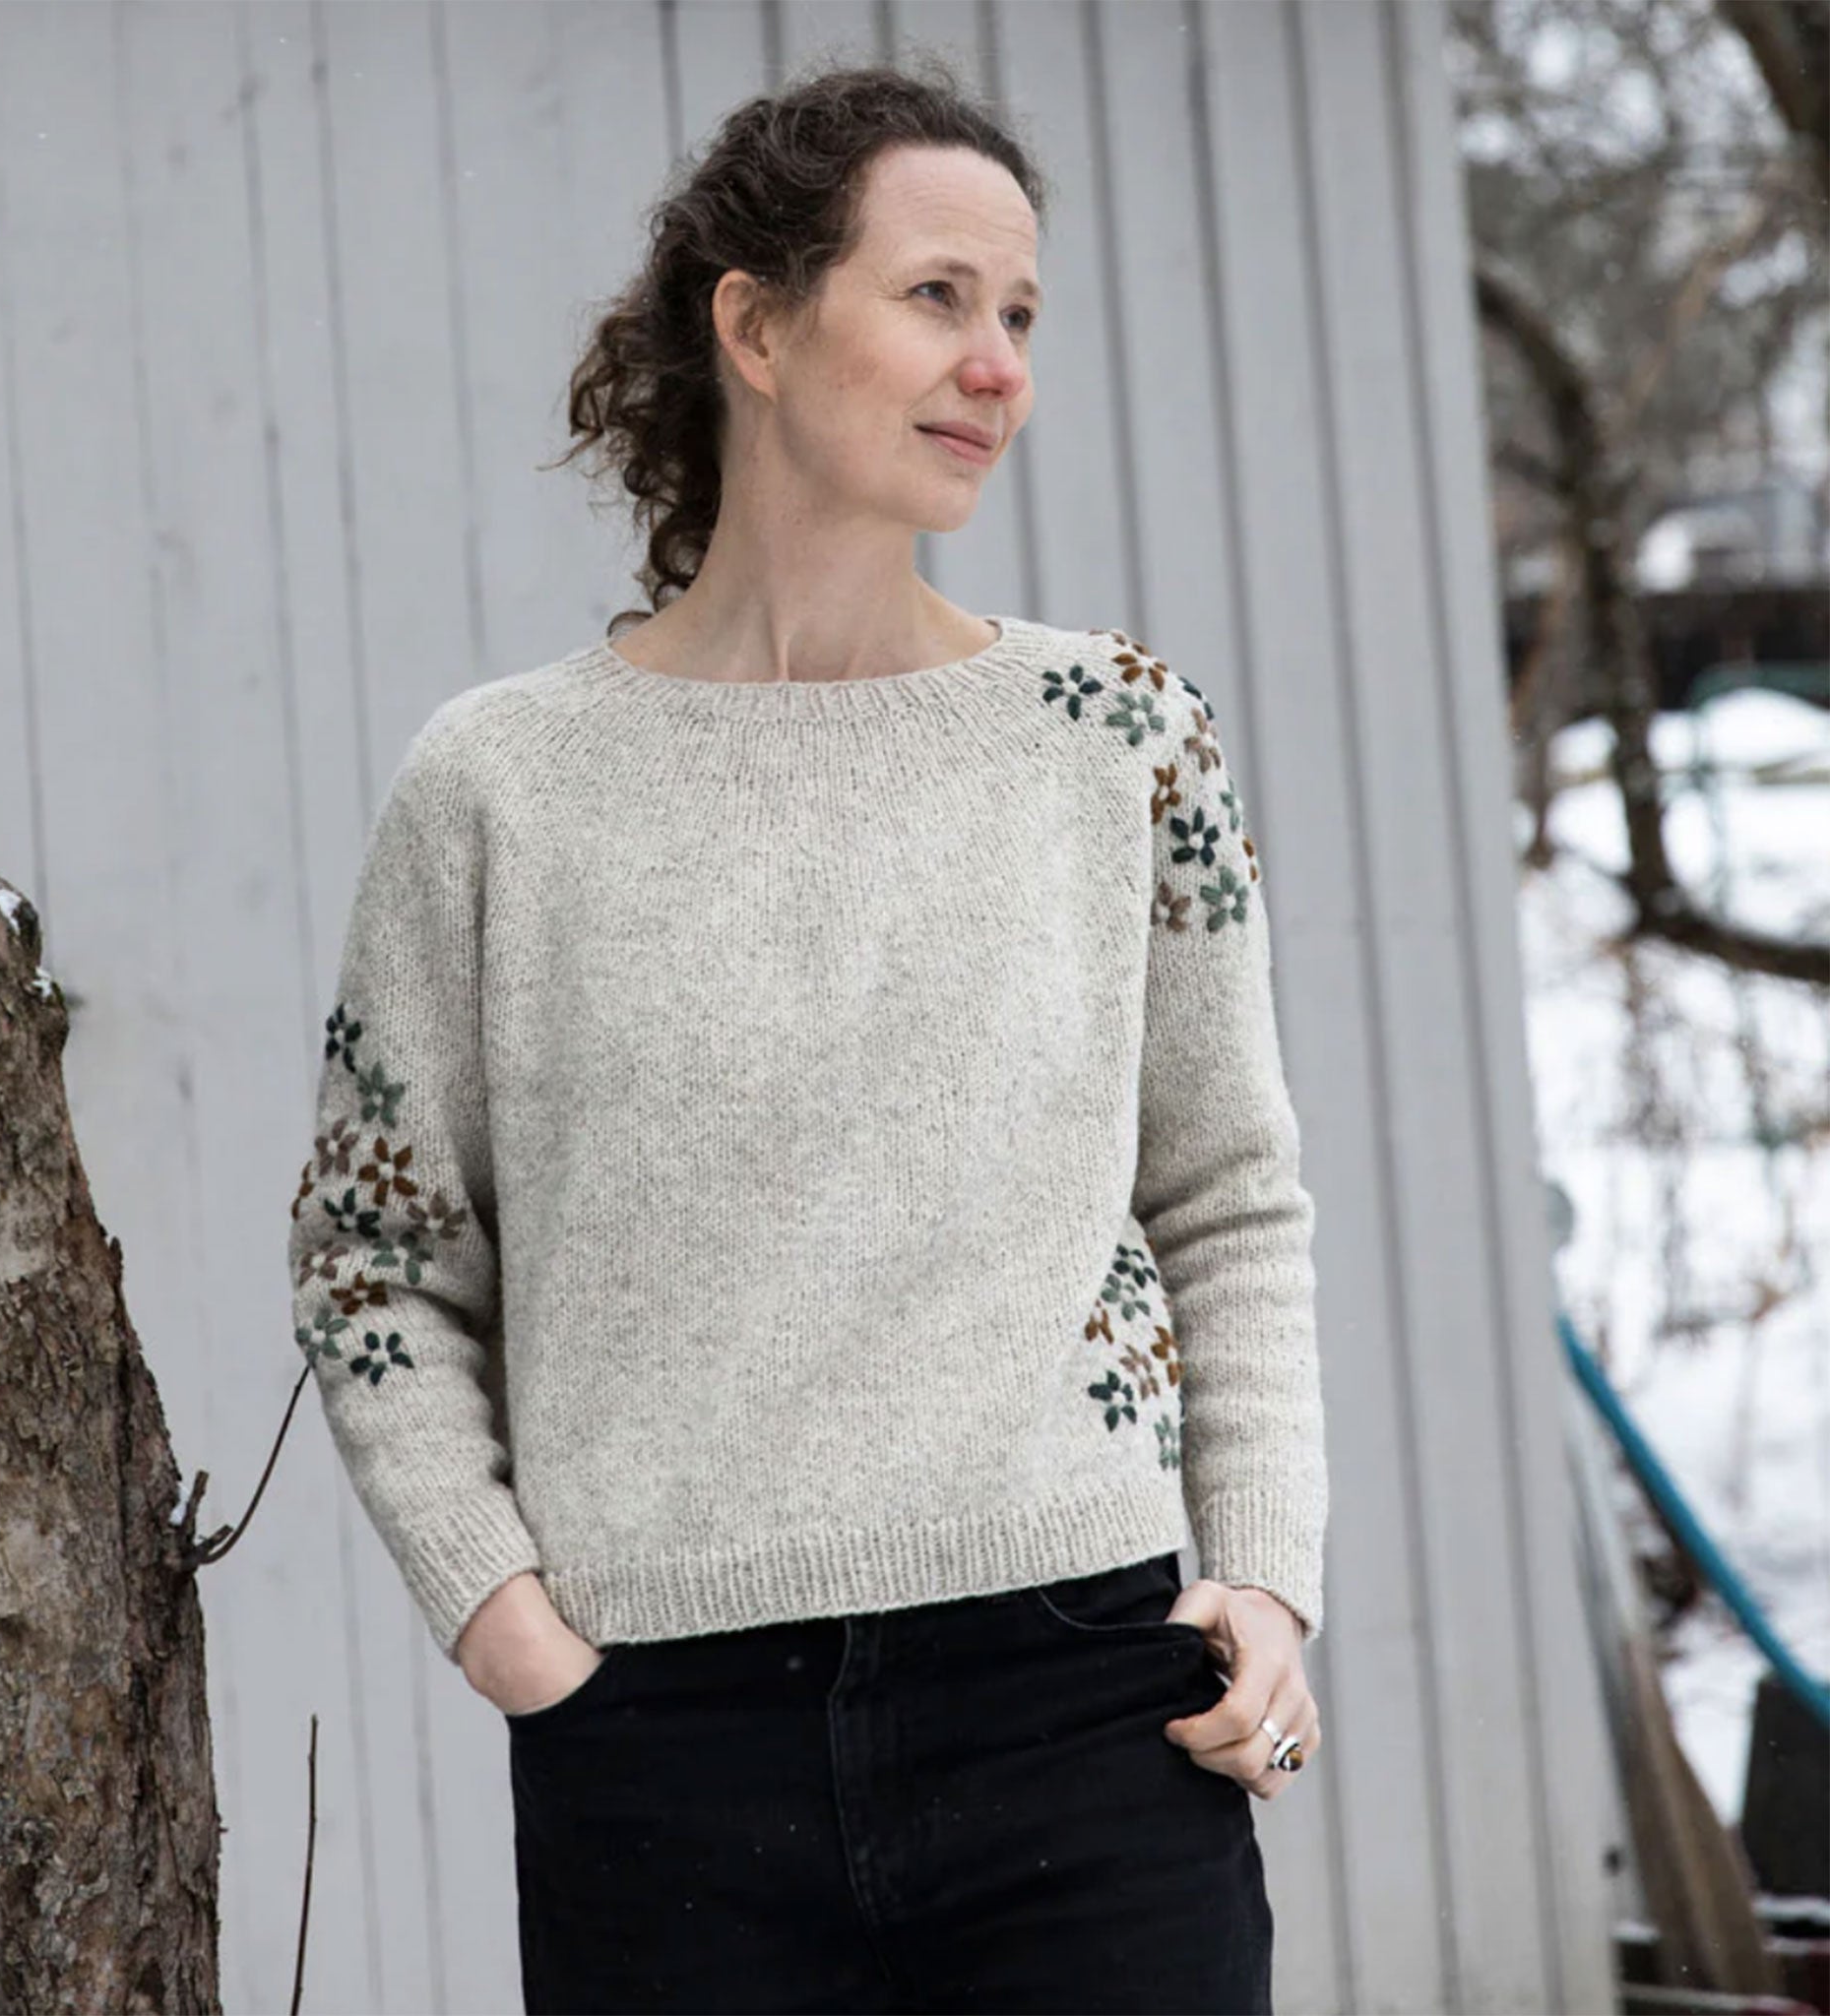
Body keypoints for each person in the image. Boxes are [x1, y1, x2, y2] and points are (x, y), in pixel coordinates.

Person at [285, 56, 1328, 2016]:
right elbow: (369, 1261)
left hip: (1085, 1707)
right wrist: (513, 1630)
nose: (996, 363)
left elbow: (1227, 1198)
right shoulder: (503, 785)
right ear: (754, 325)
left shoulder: (1115, 739)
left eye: (1019, 314)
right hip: (663, 1751)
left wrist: (1263, 1576)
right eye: (936, 296)